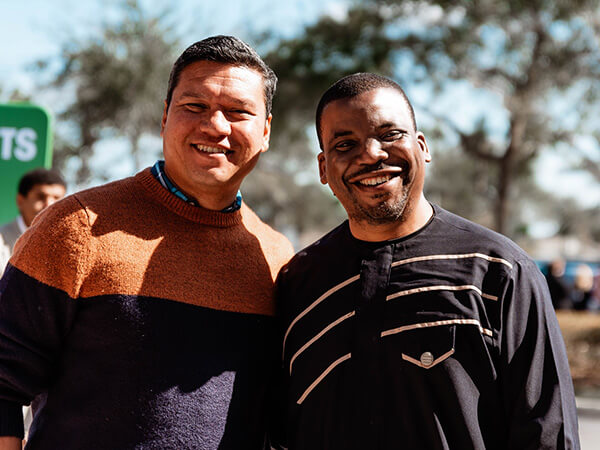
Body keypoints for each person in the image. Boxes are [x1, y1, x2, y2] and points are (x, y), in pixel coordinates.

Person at [0, 35, 294, 449]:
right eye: (195, 107)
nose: (216, 126)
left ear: (265, 131)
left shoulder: (278, 258)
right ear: (164, 118)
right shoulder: (75, 227)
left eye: (238, 112)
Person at [271, 73, 579, 449]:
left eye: (390, 135)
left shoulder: (498, 272)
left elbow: (547, 433)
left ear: (422, 146)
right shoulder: (299, 282)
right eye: (345, 143)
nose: (371, 154)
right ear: (323, 167)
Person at [0, 168, 66, 273]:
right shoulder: (1, 239)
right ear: (20, 201)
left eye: (57, 198)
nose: (49, 205)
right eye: (41, 197)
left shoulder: (66, 246)